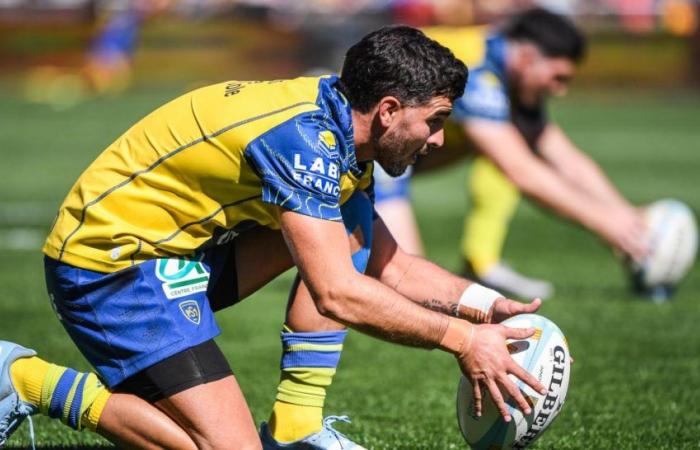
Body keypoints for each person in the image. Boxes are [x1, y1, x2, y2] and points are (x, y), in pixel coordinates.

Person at [0, 26, 546, 450]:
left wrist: (485, 309)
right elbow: (337, 293)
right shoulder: (300, 141)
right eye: (436, 120)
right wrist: (461, 341)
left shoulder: (339, 130)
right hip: (109, 267)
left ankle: (295, 427)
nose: (440, 139)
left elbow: (388, 264)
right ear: (388, 112)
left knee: (347, 232)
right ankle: (24, 380)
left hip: (179, 257)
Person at [373, 9, 647, 300]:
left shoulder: (511, 76)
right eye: (558, 77)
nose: (560, 90)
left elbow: (564, 156)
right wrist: (606, 224)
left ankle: (481, 262)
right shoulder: (476, 69)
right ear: (527, 59)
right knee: (408, 284)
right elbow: (520, 170)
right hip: (368, 144)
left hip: (405, 148)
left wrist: (626, 217)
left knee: (506, 142)